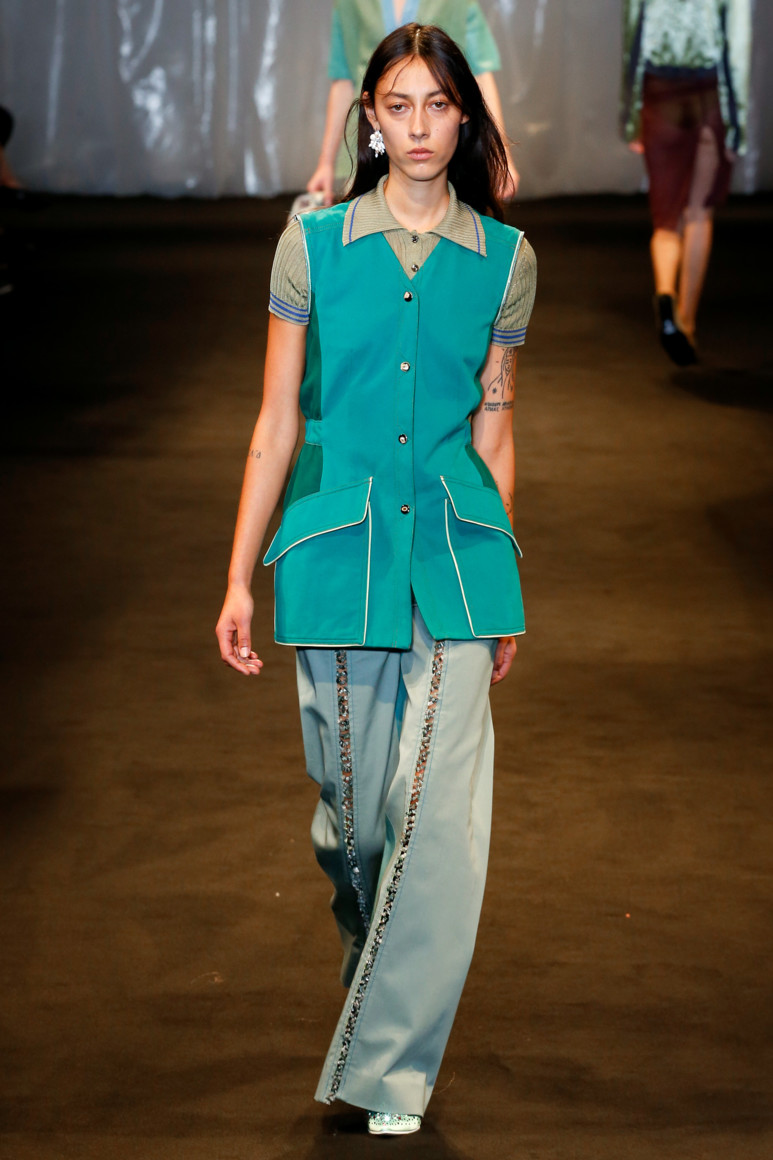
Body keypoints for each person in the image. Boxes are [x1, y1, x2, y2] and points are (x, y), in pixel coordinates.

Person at [216, 22, 536, 1137]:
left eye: (437, 105)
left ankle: (388, 1068)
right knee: (354, 824)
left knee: (435, 815)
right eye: (397, 105)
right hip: (336, 559)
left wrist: (504, 580)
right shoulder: (310, 246)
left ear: (464, 117)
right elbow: (273, 421)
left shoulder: (505, 260)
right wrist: (237, 576)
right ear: (368, 119)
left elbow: (495, 430)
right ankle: (378, 970)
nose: (418, 127)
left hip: (454, 558)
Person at [620, 0, 751, 365]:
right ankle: (687, 323)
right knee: (698, 212)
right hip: (711, 93)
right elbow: (738, 45)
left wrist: (630, 117)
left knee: (665, 222)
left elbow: (633, 34)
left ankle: (665, 294)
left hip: (659, 91)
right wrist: (737, 126)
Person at [307, 0, 520, 205]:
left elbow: (479, 75)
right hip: (370, 140)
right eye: (399, 106)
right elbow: (344, 78)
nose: (417, 129)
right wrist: (326, 162)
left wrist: (501, 156)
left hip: (444, 146)